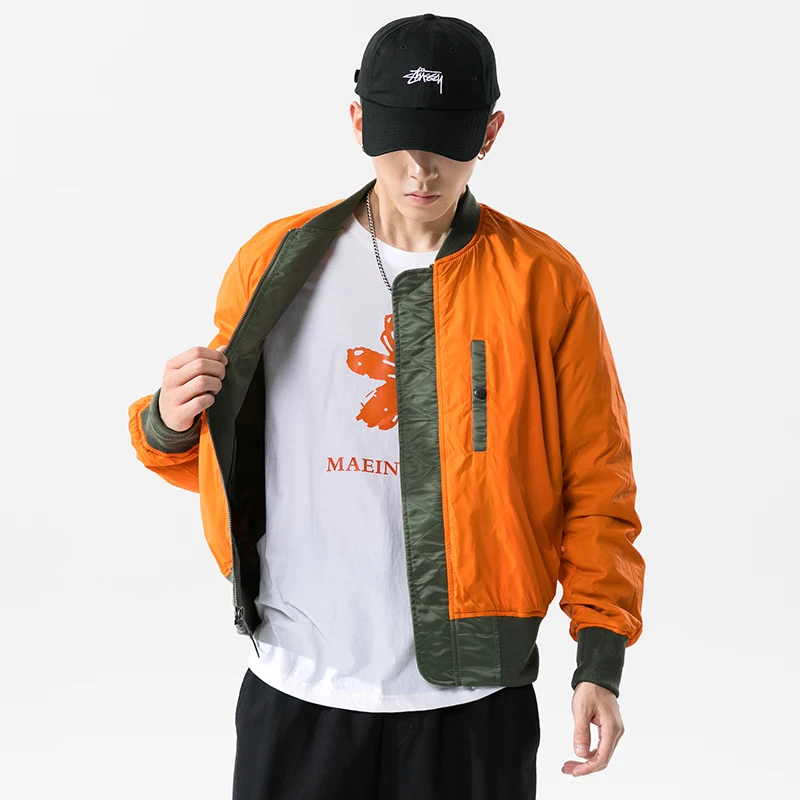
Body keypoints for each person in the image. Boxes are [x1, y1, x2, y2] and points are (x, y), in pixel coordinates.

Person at [127, 12, 645, 800]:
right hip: (298, 682)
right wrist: (166, 421)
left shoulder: (544, 283)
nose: (420, 169)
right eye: (398, 139)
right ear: (358, 121)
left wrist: (599, 657)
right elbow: (227, 454)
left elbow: (598, 481)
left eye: (447, 142)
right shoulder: (276, 262)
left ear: (491, 132)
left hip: (474, 696)